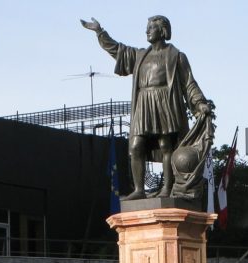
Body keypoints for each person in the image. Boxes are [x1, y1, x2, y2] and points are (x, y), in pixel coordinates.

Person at [81, 16, 212, 199]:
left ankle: (167, 187)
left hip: (164, 102)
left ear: (163, 30)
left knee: (166, 145)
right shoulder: (140, 55)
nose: (147, 31)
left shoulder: (176, 56)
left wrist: (200, 104)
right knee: (136, 146)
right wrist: (100, 32)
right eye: (147, 27)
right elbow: (118, 50)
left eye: (151, 27)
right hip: (144, 102)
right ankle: (139, 190)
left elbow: (189, 84)